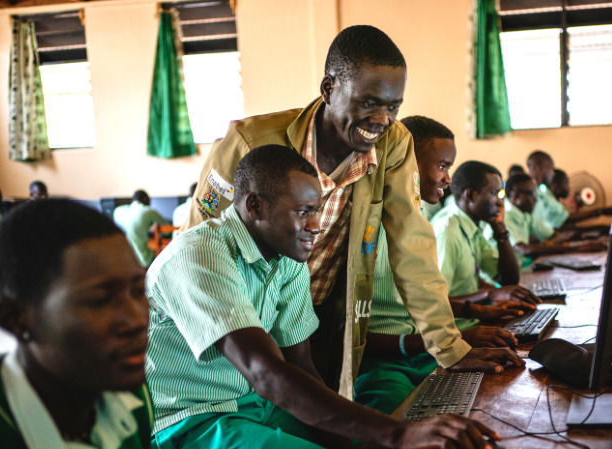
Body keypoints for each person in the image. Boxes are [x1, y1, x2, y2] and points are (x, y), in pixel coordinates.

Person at [139, 145, 508, 449]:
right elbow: (265, 373)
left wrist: (363, 447)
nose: (315, 225)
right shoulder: (201, 254)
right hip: (189, 426)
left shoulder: (287, 259)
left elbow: (301, 366)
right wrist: (398, 432)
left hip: (256, 406)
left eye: (316, 210)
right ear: (254, 206)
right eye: (303, 212)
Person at [179, 25, 520, 397]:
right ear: (329, 89)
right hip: (246, 319)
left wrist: (450, 349)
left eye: (393, 107)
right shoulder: (248, 143)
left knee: (329, 424)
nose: (381, 120)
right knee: (263, 413)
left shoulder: (393, 144)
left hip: (322, 320)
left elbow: (413, 247)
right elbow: (198, 246)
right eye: (368, 102)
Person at [0, 199, 220, 449]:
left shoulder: (130, 400)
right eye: (99, 300)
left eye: (137, 291)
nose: (135, 320)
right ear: (16, 319)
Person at [355, 117, 523, 415]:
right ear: (403, 162)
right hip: (384, 367)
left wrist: (474, 317)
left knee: (491, 398)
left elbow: (428, 299)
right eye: (442, 166)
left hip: (423, 354)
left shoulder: (418, 224)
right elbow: (352, 335)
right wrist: (450, 340)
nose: (448, 178)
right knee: (410, 428)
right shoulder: (365, 232)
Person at [432, 161, 540, 310]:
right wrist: (489, 294)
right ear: (471, 194)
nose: (500, 203)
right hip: (458, 328)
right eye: (495, 194)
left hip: (473, 319)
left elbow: (508, 280)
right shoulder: (447, 233)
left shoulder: (472, 227)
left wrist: (500, 229)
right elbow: (435, 302)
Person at [503, 173, 606, 264]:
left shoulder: (525, 215)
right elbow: (525, 250)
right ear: (516, 196)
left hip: (523, 269)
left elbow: (553, 234)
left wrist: (575, 239)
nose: (535, 199)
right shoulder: (506, 217)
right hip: (508, 281)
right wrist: (577, 248)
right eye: (532, 194)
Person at [113, 189, 168, 268]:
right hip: (145, 260)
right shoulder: (148, 211)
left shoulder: (119, 211)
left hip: (127, 260)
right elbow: (167, 231)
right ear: (145, 199)